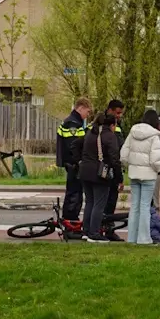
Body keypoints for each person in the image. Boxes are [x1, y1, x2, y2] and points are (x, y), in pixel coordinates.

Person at [119, 108, 160, 244]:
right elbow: (155, 160)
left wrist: (130, 165)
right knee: (145, 206)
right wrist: (159, 169)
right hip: (149, 175)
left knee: (134, 206)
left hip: (134, 174)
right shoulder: (154, 136)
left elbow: (123, 155)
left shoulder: (132, 133)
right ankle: (144, 238)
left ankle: (132, 237)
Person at [79, 111, 122, 243]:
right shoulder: (109, 136)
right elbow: (114, 159)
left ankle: (86, 231)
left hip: (85, 171)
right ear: (112, 125)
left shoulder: (90, 133)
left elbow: (76, 145)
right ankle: (94, 233)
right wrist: (119, 178)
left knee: (90, 202)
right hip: (99, 173)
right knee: (99, 204)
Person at [56, 97, 92, 224]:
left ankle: (71, 218)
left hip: (72, 163)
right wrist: (79, 162)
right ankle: (70, 219)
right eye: (87, 111)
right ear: (80, 108)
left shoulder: (74, 122)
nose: (88, 115)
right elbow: (73, 145)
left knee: (75, 192)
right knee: (74, 193)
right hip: (73, 164)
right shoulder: (72, 124)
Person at [102, 99, 127, 242]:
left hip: (114, 167)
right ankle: (102, 228)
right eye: (117, 113)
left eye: (121, 113)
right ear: (110, 110)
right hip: (106, 168)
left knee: (111, 201)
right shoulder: (101, 123)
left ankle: (108, 228)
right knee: (103, 201)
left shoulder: (118, 125)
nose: (119, 115)